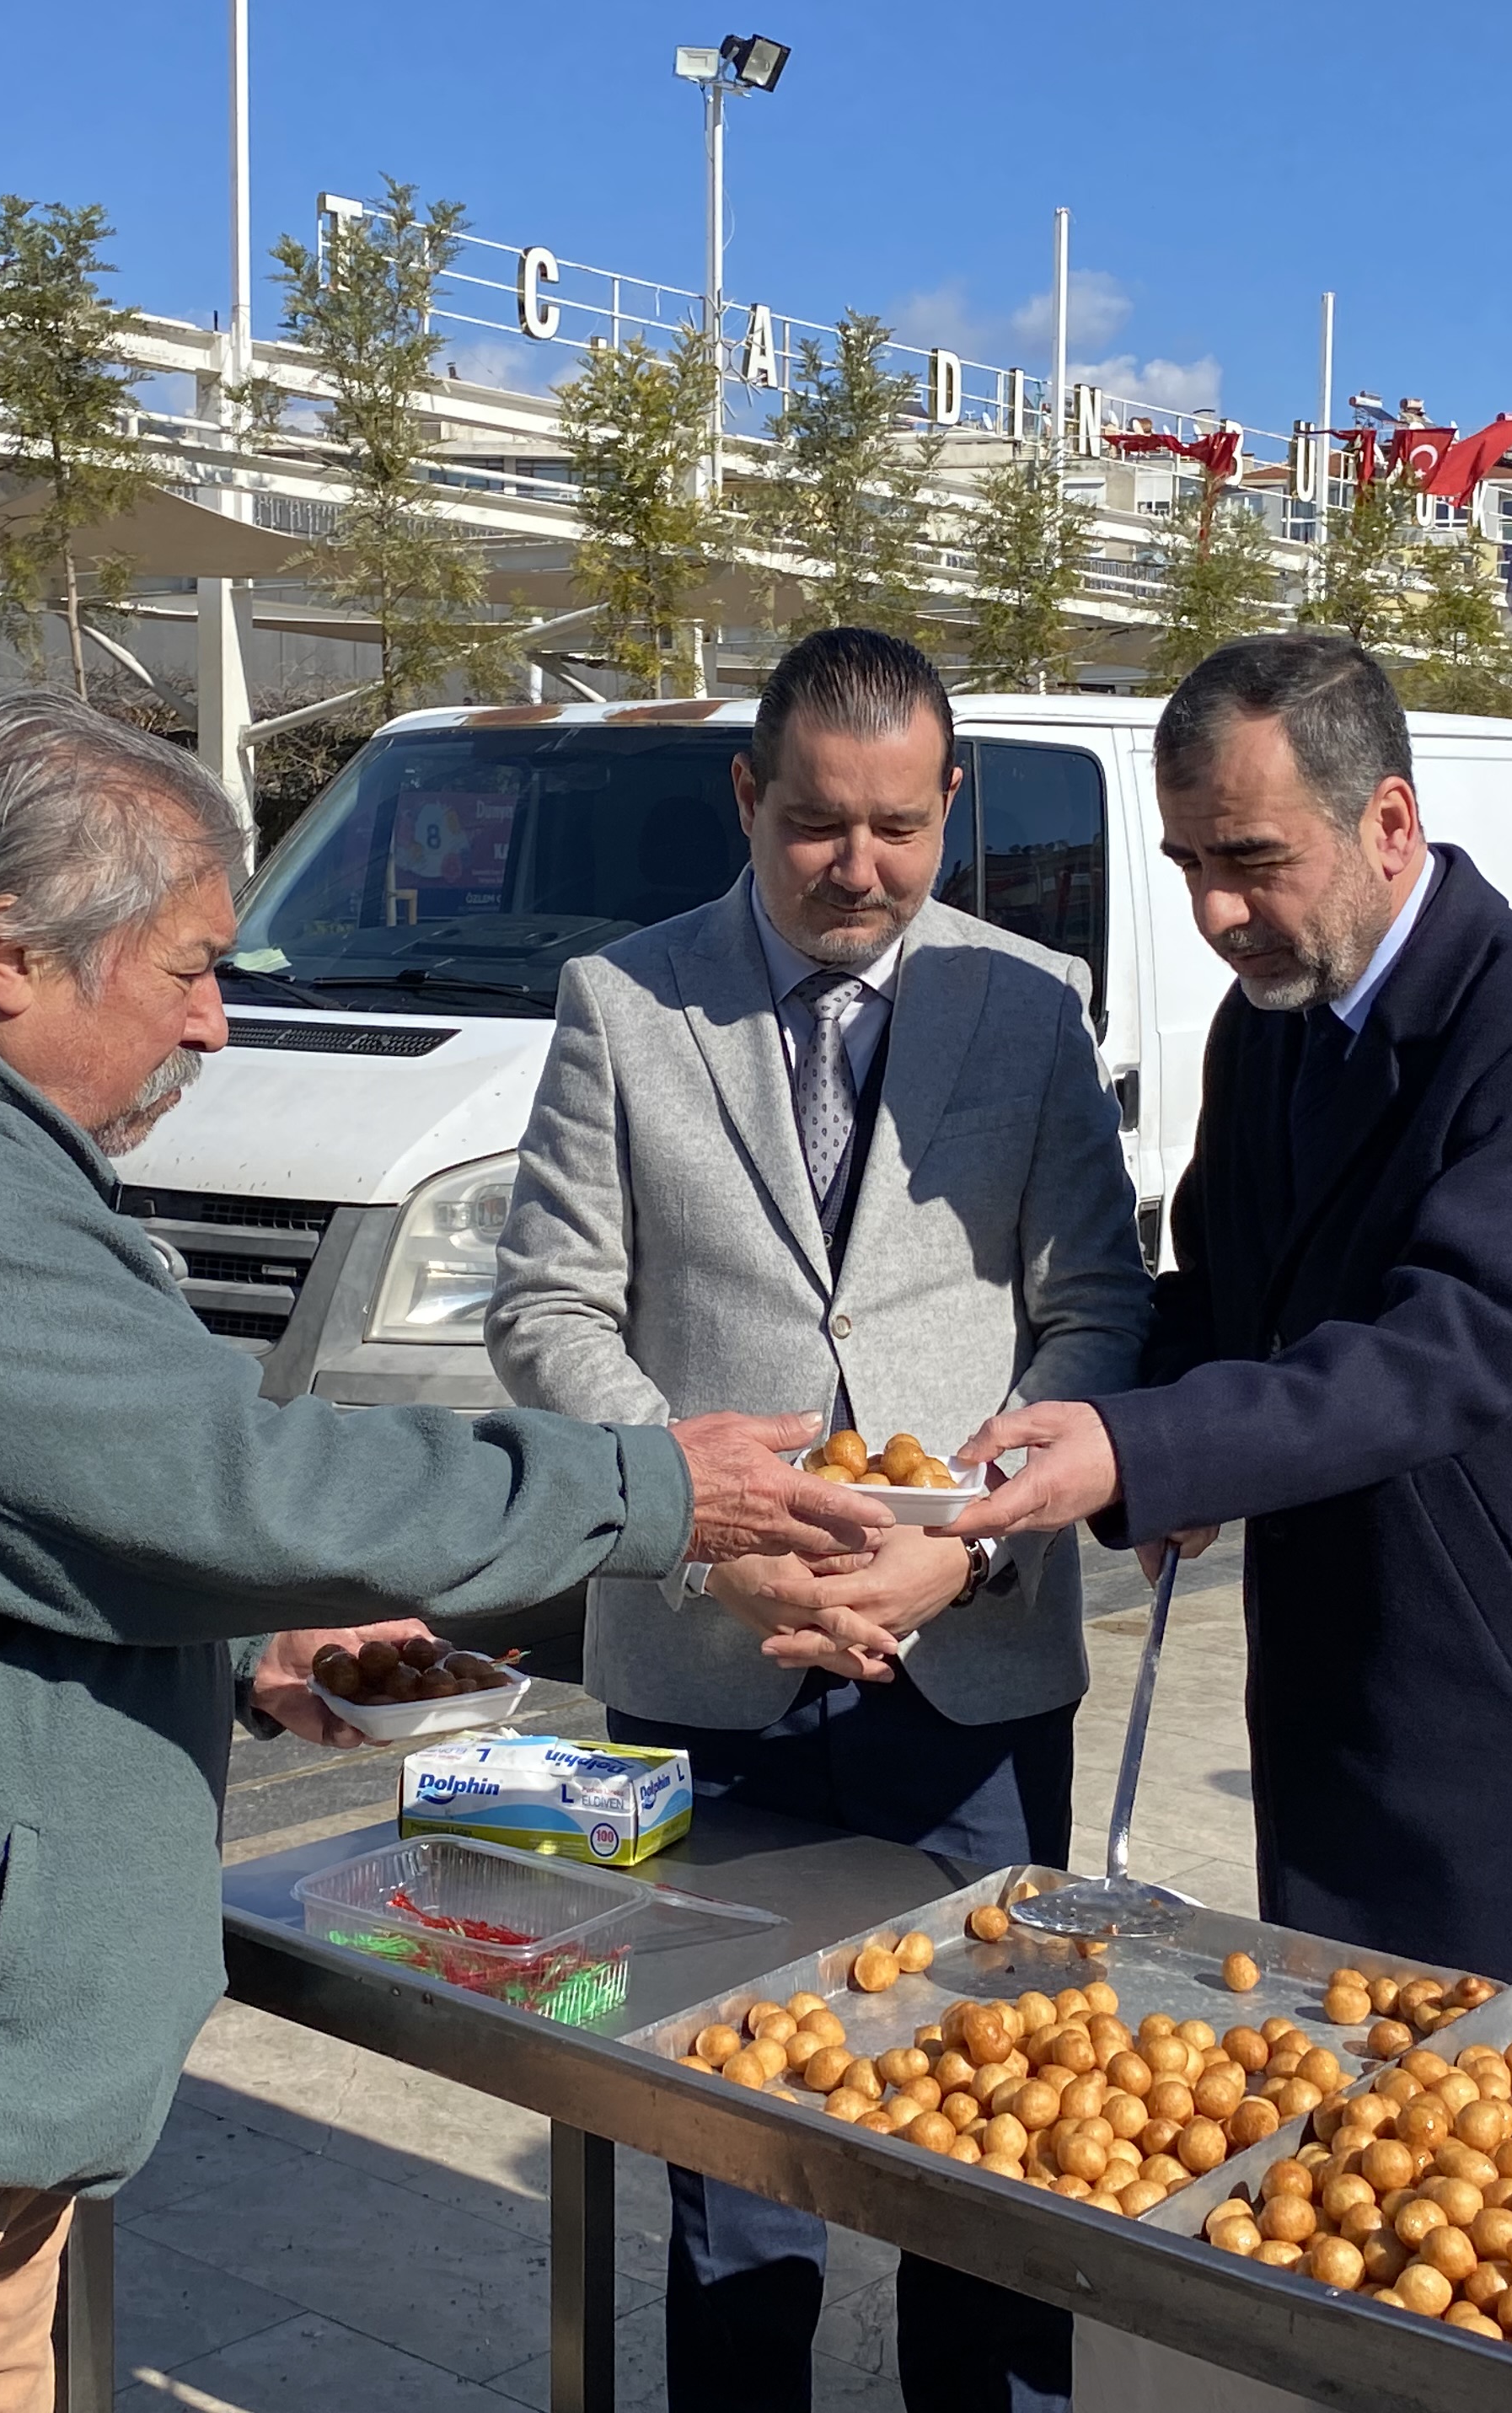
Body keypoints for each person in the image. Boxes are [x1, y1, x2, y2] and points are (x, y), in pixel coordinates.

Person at [0, 695, 891, 2412]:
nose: (220, 1019)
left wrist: (247, 1652)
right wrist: (653, 1489)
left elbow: (16, 1520)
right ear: (8, 955)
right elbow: (226, 1482)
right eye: (190, 966)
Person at [489, 626, 1147, 2413]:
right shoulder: (623, 1006)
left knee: (995, 2135)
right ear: (745, 802)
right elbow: (547, 1310)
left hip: (975, 1666)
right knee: (734, 2150)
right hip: (711, 1667)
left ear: (951, 809)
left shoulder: (1029, 1004)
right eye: (814, 828)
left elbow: (1097, 1311)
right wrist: (707, 1513)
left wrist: (974, 1535)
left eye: (897, 829)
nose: (858, 869)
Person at [950, 633, 1512, 1983]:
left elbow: (1445, 1349)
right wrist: (1092, 1423)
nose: (1216, 913)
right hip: (1344, 1689)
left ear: (1389, 822)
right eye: (1191, 867)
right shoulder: (1268, 1024)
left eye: (1253, 861)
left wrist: (1153, 1451)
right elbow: (1221, 1292)